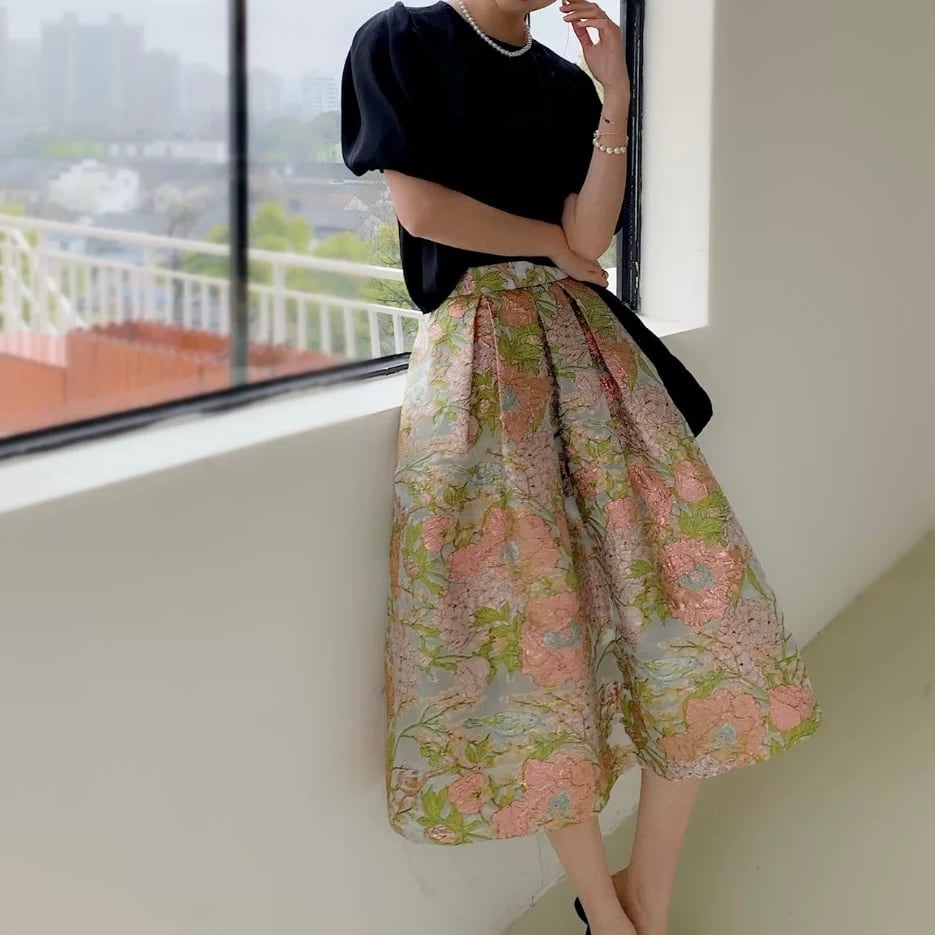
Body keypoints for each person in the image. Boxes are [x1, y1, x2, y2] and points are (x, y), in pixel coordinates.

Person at [342, 3, 820, 934]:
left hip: (590, 357)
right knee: (533, 641)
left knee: (694, 609)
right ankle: (604, 909)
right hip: (480, 362)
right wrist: (549, 246)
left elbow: (588, 236)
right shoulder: (401, 40)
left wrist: (615, 98)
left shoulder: (561, 82)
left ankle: (647, 895)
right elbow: (423, 210)